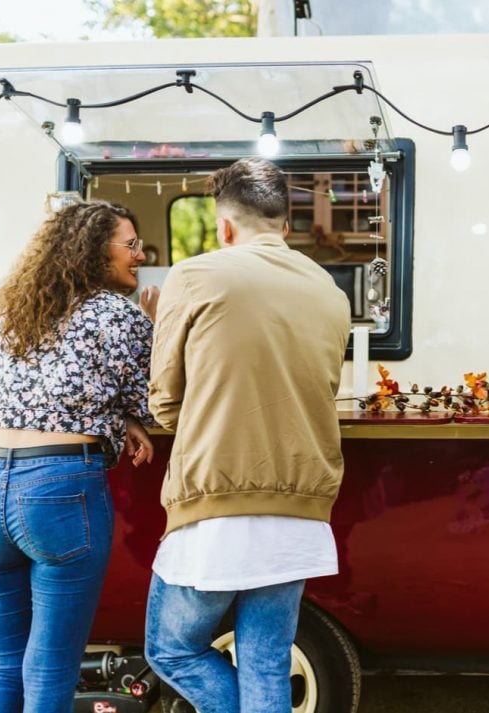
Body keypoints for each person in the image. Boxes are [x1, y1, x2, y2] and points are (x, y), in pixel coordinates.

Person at [145, 157, 351, 712]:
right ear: (285, 227)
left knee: (171, 649)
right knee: (265, 661)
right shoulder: (330, 292)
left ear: (225, 227)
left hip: (216, 505)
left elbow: (164, 402)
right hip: (302, 508)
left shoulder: (194, 276)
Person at [0, 200, 156, 712]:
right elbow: (150, 400)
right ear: (97, 251)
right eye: (131, 245)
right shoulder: (118, 315)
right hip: (60, 487)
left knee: (3, 667)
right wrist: (149, 333)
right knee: (50, 672)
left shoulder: (16, 314)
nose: (140, 255)